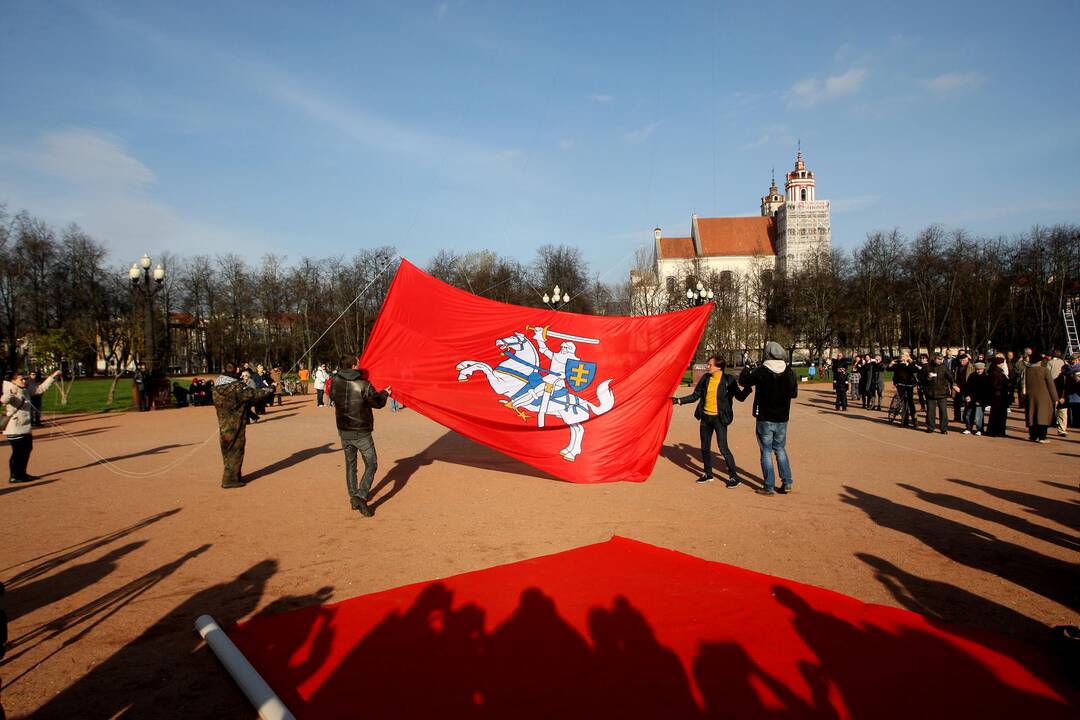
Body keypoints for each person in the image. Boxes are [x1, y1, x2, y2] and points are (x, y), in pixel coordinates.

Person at [672, 355, 751, 487]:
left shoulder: (728, 379)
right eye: (707, 364)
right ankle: (708, 474)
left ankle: (734, 477)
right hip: (705, 418)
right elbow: (695, 396)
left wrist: (748, 388)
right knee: (705, 447)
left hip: (720, 419)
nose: (707, 367)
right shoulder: (705, 379)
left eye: (710, 365)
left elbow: (740, 397)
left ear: (718, 367)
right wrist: (679, 401)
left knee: (723, 448)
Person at [330, 354, 391, 517]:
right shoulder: (363, 384)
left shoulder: (334, 381)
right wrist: (385, 393)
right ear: (353, 366)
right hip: (361, 431)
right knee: (372, 463)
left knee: (351, 465)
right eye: (358, 363)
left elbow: (332, 397)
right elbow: (377, 403)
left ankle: (354, 497)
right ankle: (360, 496)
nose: (361, 364)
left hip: (343, 430)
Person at [738, 341, 798, 496]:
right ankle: (787, 482)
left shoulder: (762, 371)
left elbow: (744, 381)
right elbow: (793, 393)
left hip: (765, 416)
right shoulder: (789, 372)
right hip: (782, 417)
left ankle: (769, 486)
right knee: (780, 449)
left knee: (766, 451)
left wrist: (747, 368)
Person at [212, 363, 273, 488]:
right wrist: (270, 388)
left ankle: (234, 475)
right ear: (235, 371)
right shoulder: (237, 387)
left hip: (223, 424)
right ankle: (229, 479)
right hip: (236, 423)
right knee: (236, 450)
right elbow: (253, 395)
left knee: (227, 450)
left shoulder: (216, 387)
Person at [2, 369, 61, 483]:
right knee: (18, 452)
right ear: (13, 381)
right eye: (21, 379)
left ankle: (21, 473)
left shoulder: (23, 390)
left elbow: (39, 389)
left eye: (24, 378)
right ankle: (15, 476)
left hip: (24, 427)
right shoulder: (11, 390)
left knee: (26, 450)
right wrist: (10, 393)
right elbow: (4, 400)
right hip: (15, 428)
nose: (24, 380)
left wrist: (52, 377)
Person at [1024, 352, 1058, 443]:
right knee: (1042, 417)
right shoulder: (1044, 370)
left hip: (1030, 396)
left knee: (1032, 416)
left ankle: (1033, 436)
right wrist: (1055, 398)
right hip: (1043, 397)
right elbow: (1051, 385)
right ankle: (1042, 437)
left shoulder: (1027, 370)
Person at [919, 353, 955, 435]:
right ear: (934, 359)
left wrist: (954, 384)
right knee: (930, 411)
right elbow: (920, 378)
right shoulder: (926, 367)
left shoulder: (944, 367)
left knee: (943, 411)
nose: (941, 361)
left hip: (942, 392)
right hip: (930, 392)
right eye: (939, 359)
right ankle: (930, 427)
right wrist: (927, 378)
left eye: (942, 359)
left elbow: (950, 377)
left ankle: (944, 428)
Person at [888, 352, 919, 428]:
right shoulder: (898, 364)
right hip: (900, 385)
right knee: (903, 403)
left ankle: (915, 421)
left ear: (908, 357)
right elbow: (888, 369)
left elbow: (915, 369)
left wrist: (909, 362)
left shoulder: (910, 364)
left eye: (904, 356)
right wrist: (891, 363)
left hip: (909, 386)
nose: (902, 357)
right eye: (902, 355)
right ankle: (905, 420)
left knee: (910, 403)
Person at [985, 355, 1011, 437]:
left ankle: (997, 431)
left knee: (997, 415)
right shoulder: (996, 373)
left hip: (998, 396)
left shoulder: (997, 371)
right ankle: (996, 431)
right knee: (998, 415)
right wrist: (1006, 385)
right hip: (999, 397)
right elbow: (995, 385)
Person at [962, 362, 990, 435]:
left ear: (983, 369)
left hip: (980, 400)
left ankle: (980, 429)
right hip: (971, 399)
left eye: (980, 369)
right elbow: (967, 387)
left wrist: (981, 401)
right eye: (977, 369)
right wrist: (967, 396)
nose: (979, 371)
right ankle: (968, 428)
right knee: (968, 415)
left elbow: (986, 391)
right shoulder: (972, 376)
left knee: (978, 416)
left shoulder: (986, 377)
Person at [951, 354, 972, 422]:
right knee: (956, 403)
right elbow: (953, 378)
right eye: (961, 361)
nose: (962, 362)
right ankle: (957, 418)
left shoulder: (972, 367)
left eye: (963, 360)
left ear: (967, 360)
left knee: (967, 404)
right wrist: (954, 386)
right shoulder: (957, 367)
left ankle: (966, 418)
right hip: (958, 387)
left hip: (967, 388)